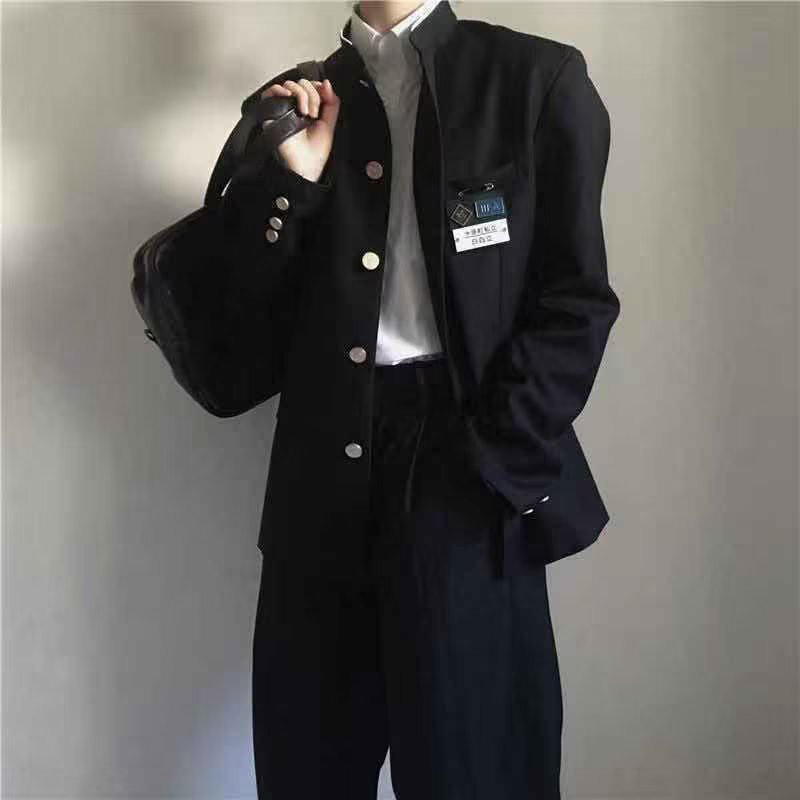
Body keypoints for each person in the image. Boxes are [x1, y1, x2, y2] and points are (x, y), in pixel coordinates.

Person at [133, 1, 620, 797]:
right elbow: (244, 335)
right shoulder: (294, 109)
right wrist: (290, 182)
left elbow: (576, 300)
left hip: (463, 468)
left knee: (476, 773)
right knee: (308, 769)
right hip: (319, 472)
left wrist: (493, 455)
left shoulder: (532, 80)